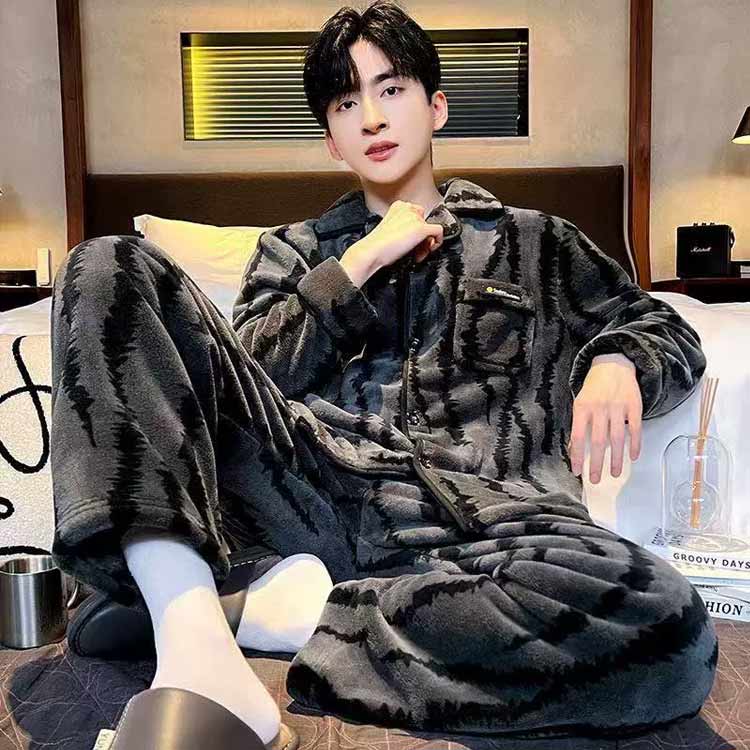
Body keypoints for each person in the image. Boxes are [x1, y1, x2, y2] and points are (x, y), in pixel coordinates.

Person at [50, 0, 717, 743]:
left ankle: (273, 614)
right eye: (346, 103)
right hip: (312, 496)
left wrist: (620, 358)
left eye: (391, 89)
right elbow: (244, 376)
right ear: (332, 140)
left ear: (436, 108)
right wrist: (358, 264)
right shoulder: (295, 251)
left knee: (666, 628)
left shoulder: (537, 243)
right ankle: (193, 640)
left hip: (490, 524)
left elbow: (660, 324)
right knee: (105, 263)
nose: (371, 117)